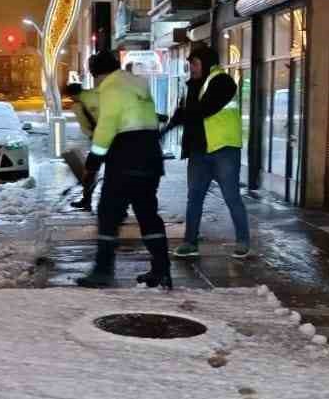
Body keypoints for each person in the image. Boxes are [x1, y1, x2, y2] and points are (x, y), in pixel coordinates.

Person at [77, 49, 170, 289]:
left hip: (127, 156)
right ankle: (162, 269)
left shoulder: (111, 87)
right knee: (147, 214)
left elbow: (107, 126)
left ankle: (102, 271)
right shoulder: (136, 82)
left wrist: (92, 163)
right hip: (151, 156)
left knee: (108, 213)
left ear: (97, 74)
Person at [164, 45, 251, 259]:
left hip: (223, 150)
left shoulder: (222, 81)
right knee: (194, 198)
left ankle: (243, 241)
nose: (191, 68)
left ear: (206, 62)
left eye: (194, 63)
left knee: (231, 197)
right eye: (189, 64)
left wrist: (180, 116)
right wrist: (167, 126)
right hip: (199, 152)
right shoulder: (194, 86)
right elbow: (184, 114)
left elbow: (205, 109)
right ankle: (189, 242)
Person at [61, 77, 103, 211]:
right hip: (104, 140)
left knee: (91, 171)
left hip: (103, 141)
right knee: (92, 171)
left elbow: (87, 126)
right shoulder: (92, 99)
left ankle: (87, 201)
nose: (70, 99)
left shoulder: (82, 105)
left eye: (71, 96)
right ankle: (87, 200)